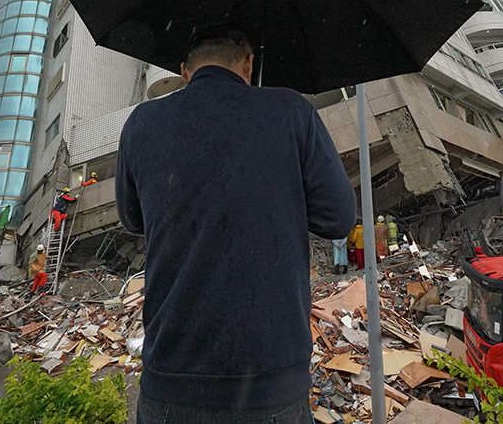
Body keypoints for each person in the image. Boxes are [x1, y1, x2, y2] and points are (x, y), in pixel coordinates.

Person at [116, 26, 355, 422]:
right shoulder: (290, 110)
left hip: (172, 383)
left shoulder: (142, 122)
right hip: (272, 383)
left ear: (184, 71)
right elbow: (339, 218)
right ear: (248, 64)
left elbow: (131, 218)